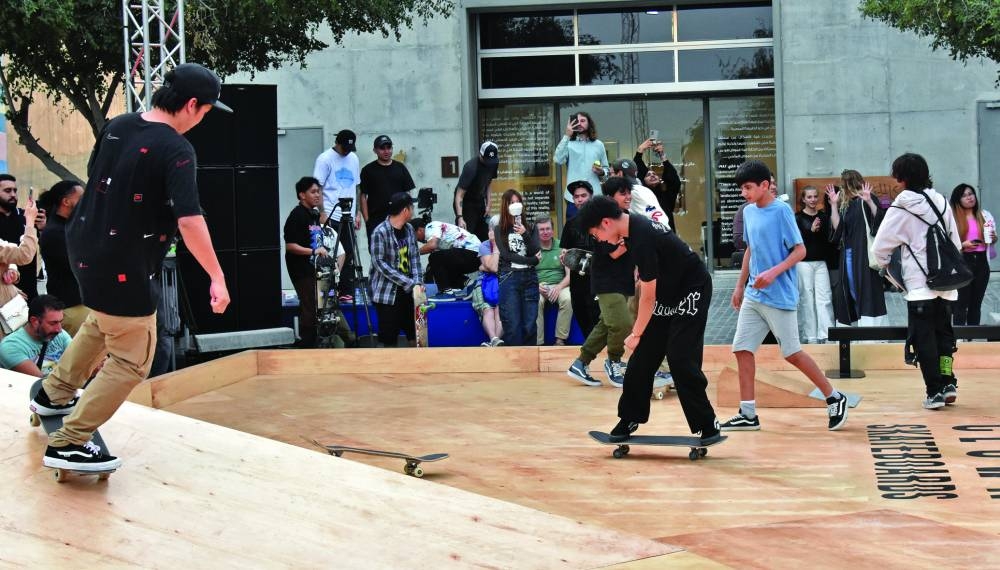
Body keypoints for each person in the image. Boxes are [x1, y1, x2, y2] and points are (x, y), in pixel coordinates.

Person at [29, 62, 232, 473]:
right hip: (122, 263)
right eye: (207, 111)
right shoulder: (177, 149)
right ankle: (69, 441)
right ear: (192, 105)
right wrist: (217, 275)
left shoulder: (118, 123)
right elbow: (190, 220)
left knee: (104, 323)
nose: (203, 120)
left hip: (82, 247)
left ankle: (53, 393)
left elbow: (97, 177)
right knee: (133, 356)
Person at [577, 196, 722, 444]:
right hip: (668, 290)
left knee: (680, 357)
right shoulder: (630, 230)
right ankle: (629, 418)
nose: (597, 240)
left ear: (606, 223)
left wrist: (635, 333)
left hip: (692, 289)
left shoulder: (642, 234)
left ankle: (707, 424)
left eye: (595, 234)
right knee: (642, 359)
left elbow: (647, 297)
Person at [721, 160, 849, 432]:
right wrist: (739, 286)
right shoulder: (749, 212)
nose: (744, 193)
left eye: (748, 188)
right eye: (742, 189)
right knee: (742, 350)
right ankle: (748, 413)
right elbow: (750, 250)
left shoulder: (781, 212)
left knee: (792, 353)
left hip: (779, 295)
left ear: (765, 185)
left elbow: (800, 251)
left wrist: (774, 272)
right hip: (755, 295)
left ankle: (834, 397)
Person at [872, 153, 962, 409]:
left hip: (920, 286)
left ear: (901, 177)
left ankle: (934, 391)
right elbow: (954, 243)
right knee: (945, 337)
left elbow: (880, 249)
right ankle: (948, 382)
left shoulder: (902, 205)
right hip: (946, 285)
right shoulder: (941, 200)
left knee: (925, 341)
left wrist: (892, 269)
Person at [566, 177, 637, 388]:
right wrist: (630, 242)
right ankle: (614, 361)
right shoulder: (601, 220)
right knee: (622, 324)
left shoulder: (628, 218)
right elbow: (613, 253)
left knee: (606, 324)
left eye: (628, 192)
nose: (628, 196)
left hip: (623, 279)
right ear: (610, 197)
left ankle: (581, 363)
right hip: (606, 280)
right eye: (622, 193)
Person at [284, 176, 346, 348]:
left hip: (316, 269)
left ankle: (323, 343)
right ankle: (306, 347)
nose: (317, 195)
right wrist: (312, 251)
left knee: (322, 307)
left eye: (319, 191)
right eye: (313, 192)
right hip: (301, 270)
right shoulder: (297, 216)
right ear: (302, 195)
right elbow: (290, 246)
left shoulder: (314, 215)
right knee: (310, 308)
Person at [827, 169, 887, 326]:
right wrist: (833, 205)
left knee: (867, 291)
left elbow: (880, 221)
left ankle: (870, 329)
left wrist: (868, 201)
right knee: (851, 291)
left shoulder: (865, 199)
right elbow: (838, 229)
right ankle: (856, 328)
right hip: (848, 254)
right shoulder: (846, 203)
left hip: (864, 253)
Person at [369, 192, 423, 347]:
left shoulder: (409, 230)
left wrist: (418, 283)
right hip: (387, 293)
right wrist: (409, 282)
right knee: (389, 339)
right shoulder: (380, 232)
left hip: (409, 290)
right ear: (405, 210)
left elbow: (415, 258)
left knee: (416, 334)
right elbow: (379, 264)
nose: (413, 211)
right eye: (411, 207)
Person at [314, 129, 361, 301]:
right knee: (331, 253)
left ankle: (346, 290)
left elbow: (357, 186)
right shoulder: (325, 159)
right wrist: (322, 212)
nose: (347, 151)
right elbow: (317, 187)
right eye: (345, 147)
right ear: (338, 143)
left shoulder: (353, 158)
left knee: (349, 252)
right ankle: (329, 289)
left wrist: (357, 214)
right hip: (331, 212)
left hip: (347, 214)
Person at [38, 180, 87, 336]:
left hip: (82, 304)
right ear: (66, 202)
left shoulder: (69, 227)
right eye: (81, 198)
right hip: (72, 307)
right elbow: (79, 265)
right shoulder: (55, 233)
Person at [495, 189, 540, 346]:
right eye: (512, 203)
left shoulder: (531, 226)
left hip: (530, 278)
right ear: (505, 206)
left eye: (517, 202)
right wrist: (531, 260)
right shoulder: (499, 229)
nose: (515, 205)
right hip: (509, 277)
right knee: (512, 325)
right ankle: (515, 366)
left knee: (530, 325)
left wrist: (524, 233)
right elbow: (507, 256)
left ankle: (531, 366)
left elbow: (536, 251)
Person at [949, 183, 996, 325]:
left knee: (976, 304)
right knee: (961, 304)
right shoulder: (952, 218)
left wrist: (994, 238)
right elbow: (946, 243)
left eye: (971, 194)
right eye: (964, 195)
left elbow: (992, 239)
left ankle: (972, 339)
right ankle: (958, 339)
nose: (969, 197)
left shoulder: (984, 215)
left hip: (982, 263)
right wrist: (963, 245)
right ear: (958, 200)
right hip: (963, 262)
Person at [794, 185, 837, 343]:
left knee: (824, 297)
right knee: (807, 298)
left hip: (821, 262)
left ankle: (826, 333)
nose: (812, 200)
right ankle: (810, 335)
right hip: (803, 263)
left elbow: (829, 238)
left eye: (814, 196)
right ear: (803, 199)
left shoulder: (824, 216)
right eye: (809, 197)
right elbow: (795, 243)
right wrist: (810, 231)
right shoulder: (797, 218)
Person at [559, 180, 601, 339]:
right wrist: (565, 258)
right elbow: (565, 252)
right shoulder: (570, 224)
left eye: (584, 195)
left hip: (598, 283)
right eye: (576, 197)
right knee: (584, 323)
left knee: (599, 324)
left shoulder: (603, 221)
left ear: (591, 197)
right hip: (577, 284)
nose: (580, 199)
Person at [360, 135, 415, 242]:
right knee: (378, 254)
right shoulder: (367, 170)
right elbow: (363, 196)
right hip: (376, 221)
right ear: (375, 150)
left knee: (401, 252)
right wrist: (367, 221)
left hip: (399, 219)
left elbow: (408, 194)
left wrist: (407, 216)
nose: (386, 151)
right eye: (382, 148)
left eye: (389, 148)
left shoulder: (400, 168)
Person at [0, 294, 72, 378]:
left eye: (60, 322)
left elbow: (78, 358)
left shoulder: (59, 334)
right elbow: (40, 384)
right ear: (34, 321)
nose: (59, 329)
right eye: (53, 323)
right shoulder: (11, 347)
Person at [554, 111, 609, 216]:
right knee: (574, 230)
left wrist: (601, 172)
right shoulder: (568, 143)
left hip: (595, 198)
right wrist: (567, 135)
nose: (579, 124)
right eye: (576, 121)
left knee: (596, 230)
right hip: (574, 198)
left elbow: (607, 171)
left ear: (589, 123)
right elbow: (558, 159)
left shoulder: (599, 145)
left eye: (583, 121)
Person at [0, 173, 45, 300]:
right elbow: (22, 254)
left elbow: (40, 247)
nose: (13, 194)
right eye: (7, 191)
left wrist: (43, 228)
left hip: (29, 288)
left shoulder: (26, 216)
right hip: (5, 293)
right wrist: (8, 289)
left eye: (15, 190)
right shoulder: (29, 218)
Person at [411, 218, 481, 292]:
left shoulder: (430, 227)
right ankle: (468, 283)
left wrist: (413, 254)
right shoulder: (436, 233)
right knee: (437, 268)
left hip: (471, 253)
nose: (416, 240)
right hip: (474, 258)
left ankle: (446, 291)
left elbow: (432, 245)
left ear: (419, 230)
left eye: (415, 236)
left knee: (434, 258)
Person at [534, 217, 572, 346]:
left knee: (568, 299)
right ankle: (538, 343)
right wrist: (536, 286)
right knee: (536, 301)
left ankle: (560, 340)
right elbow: (527, 275)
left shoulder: (562, 247)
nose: (545, 232)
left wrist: (559, 287)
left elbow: (569, 275)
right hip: (539, 285)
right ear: (536, 232)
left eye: (548, 228)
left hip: (560, 285)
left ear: (553, 230)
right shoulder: (532, 249)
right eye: (541, 229)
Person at [633, 138, 682, 231]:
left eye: (654, 174)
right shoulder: (640, 198)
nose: (652, 175)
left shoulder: (667, 197)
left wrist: (662, 155)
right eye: (648, 175)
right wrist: (640, 150)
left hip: (667, 238)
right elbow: (637, 169)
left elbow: (674, 180)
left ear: (660, 179)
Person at [454, 142, 499, 242]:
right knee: (467, 235)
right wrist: (460, 217)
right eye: (487, 160)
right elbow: (459, 195)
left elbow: (489, 181)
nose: (489, 164)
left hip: (480, 200)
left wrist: (489, 202)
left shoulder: (494, 163)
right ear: (480, 155)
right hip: (466, 202)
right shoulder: (471, 167)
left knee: (484, 233)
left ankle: (482, 256)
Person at [473, 225, 503, 347]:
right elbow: (494, 267)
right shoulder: (485, 245)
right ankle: (494, 339)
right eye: (491, 230)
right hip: (485, 284)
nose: (493, 233)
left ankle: (493, 343)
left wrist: (485, 267)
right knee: (487, 309)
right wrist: (495, 245)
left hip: (505, 283)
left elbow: (493, 267)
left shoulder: (510, 244)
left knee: (500, 311)